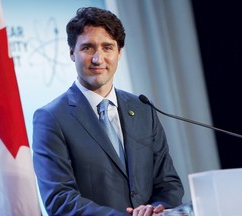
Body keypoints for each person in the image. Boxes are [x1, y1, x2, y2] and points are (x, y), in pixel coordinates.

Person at [32, 6, 184, 216]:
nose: (98, 58)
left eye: (107, 47)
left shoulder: (142, 109)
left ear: (119, 52)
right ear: (71, 53)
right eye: (87, 48)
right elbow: (60, 199)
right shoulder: (51, 118)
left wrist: (157, 208)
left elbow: (169, 183)